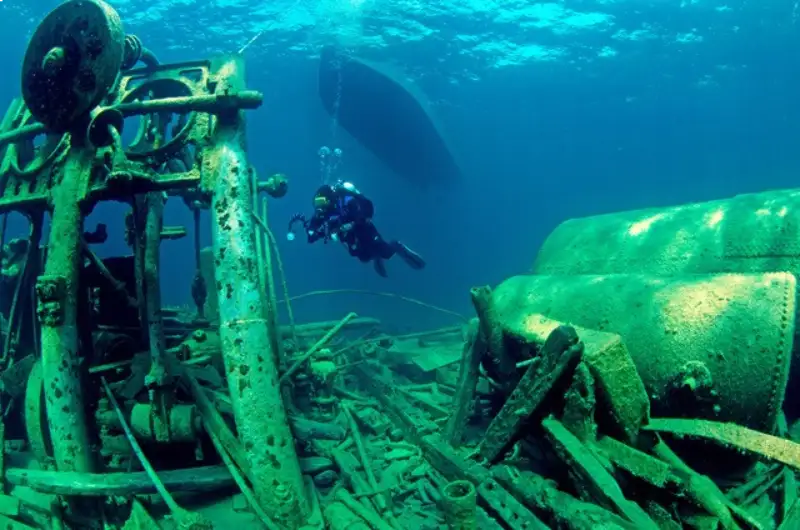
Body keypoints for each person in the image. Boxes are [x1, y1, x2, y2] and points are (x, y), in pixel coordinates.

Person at [288, 180, 426, 277]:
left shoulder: (346, 200)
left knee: (386, 252)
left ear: (330, 199)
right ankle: (375, 257)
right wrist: (311, 231)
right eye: (316, 203)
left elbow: (364, 211)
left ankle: (397, 247)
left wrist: (351, 224)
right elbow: (311, 235)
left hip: (364, 230)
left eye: (322, 202)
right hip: (349, 238)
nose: (319, 207)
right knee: (363, 257)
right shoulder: (321, 213)